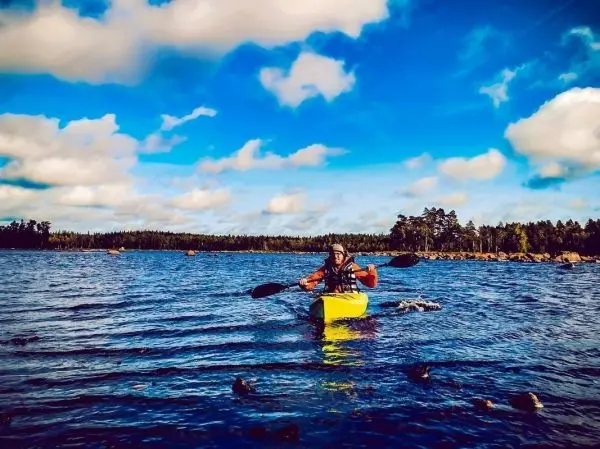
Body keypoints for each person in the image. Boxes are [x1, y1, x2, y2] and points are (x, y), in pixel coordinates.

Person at [298, 243, 378, 293]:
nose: (335, 257)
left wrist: (372, 271)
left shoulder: (352, 266)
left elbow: (371, 284)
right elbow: (312, 281)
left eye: (338, 254)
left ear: (343, 255)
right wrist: (304, 283)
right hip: (331, 297)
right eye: (333, 254)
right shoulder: (326, 268)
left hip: (350, 298)